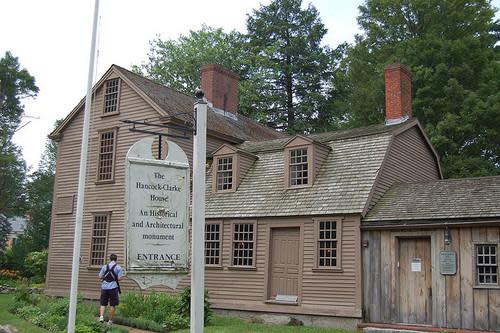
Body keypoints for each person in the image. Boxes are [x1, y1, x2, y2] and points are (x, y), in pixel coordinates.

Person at [98, 254, 124, 325]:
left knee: (103, 304)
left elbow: (100, 277)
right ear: (116, 259)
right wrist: (124, 275)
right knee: (113, 305)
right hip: (113, 288)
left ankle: (101, 317)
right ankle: (110, 321)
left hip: (104, 288)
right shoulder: (118, 267)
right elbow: (119, 279)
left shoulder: (104, 266)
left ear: (110, 259)